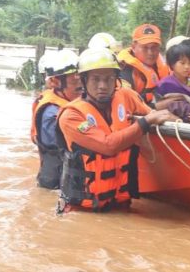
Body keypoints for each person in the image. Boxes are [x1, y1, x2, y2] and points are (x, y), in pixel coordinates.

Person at [56, 48, 174, 212]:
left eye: (109, 79)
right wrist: (145, 123)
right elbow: (108, 146)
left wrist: (177, 121)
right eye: (96, 79)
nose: (103, 86)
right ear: (83, 81)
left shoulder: (126, 96)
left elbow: (153, 114)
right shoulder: (71, 116)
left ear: (116, 80)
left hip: (120, 204)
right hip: (83, 210)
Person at [31, 50, 81, 189]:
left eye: (81, 77)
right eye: (74, 79)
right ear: (55, 82)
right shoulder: (52, 112)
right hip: (55, 182)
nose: (80, 84)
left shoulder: (69, 102)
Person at [155, 43, 190, 125]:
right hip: (173, 127)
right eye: (182, 63)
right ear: (172, 64)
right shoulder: (166, 84)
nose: (187, 67)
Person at [117, 23, 170, 105]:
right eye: (145, 47)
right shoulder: (125, 71)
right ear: (134, 47)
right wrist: (157, 106)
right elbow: (126, 106)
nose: (150, 52)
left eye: (154, 47)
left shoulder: (161, 64)